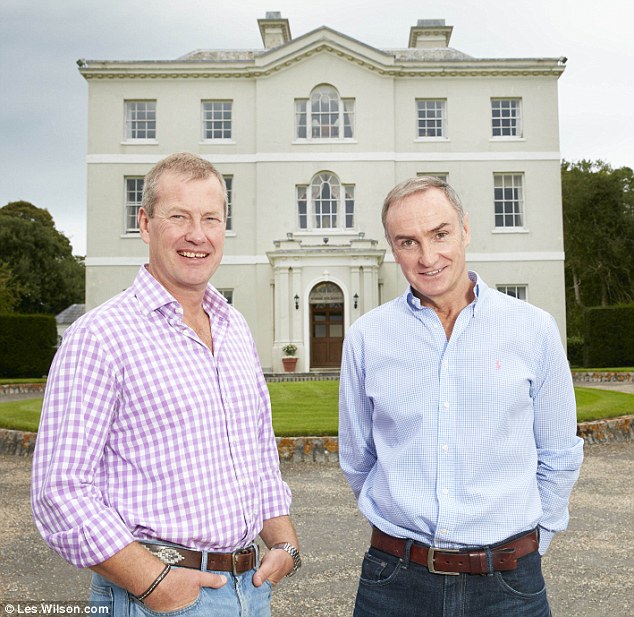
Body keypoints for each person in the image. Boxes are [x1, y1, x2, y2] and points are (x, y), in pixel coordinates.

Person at [32, 152, 301, 617]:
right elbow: (60, 490)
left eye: (211, 218)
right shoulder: (101, 335)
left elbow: (256, 449)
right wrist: (156, 585)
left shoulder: (234, 326)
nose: (197, 234)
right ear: (146, 223)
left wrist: (283, 543)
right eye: (179, 216)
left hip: (250, 591)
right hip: (157, 597)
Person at [339, 176, 584, 617]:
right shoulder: (366, 337)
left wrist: (533, 540)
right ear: (393, 249)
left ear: (465, 230)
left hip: (509, 584)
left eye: (440, 234)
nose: (428, 257)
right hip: (395, 582)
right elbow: (358, 458)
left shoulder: (533, 329)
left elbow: (560, 453)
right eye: (408, 242)